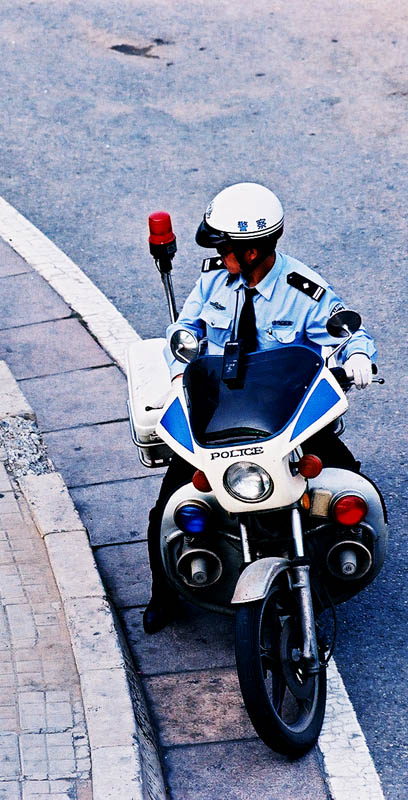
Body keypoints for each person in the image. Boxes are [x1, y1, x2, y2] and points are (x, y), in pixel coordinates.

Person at [143, 182, 377, 634]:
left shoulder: (303, 290)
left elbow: (348, 332)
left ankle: (337, 563)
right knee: (168, 510)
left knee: (355, 488)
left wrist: (358, 357)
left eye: (225, 248)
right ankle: (165, 593)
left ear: (251, 252)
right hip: (217, 416)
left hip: (287, 420)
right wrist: (179, 371)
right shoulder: (213, 280)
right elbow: (185, 331)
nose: (220, 255)